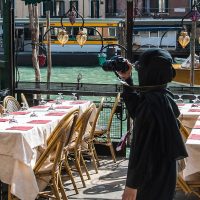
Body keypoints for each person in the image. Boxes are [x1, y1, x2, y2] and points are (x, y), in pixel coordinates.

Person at [116, 48, 188, 200]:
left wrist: (131, 185)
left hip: (150, 174)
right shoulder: (163, 96)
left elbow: (140, 148)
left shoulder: (151, 104)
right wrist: (127, 80)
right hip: (165, 171)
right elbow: (137, 110)